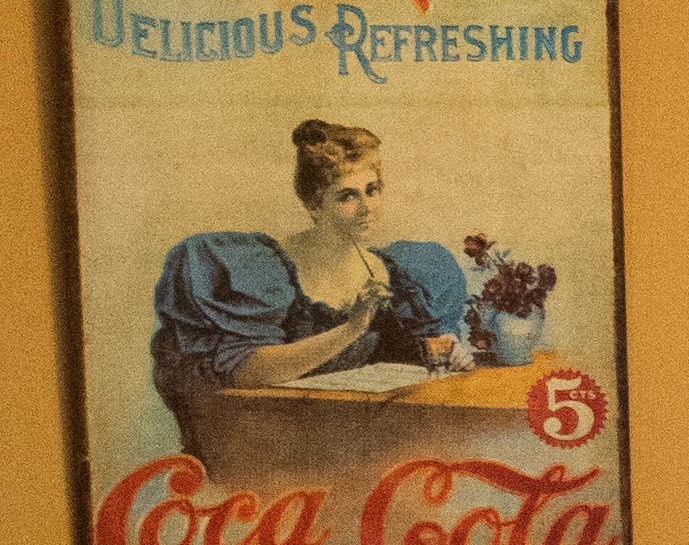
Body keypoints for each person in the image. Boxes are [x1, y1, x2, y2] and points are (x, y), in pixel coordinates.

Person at [149, 118, 544, 430]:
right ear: (313, 203)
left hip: (362, 430)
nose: (366, 207)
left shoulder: (403, 271)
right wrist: (352, 328)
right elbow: (246, 371)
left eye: (373, 190)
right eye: (347, 196)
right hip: (273, 432)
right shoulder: (258, 270)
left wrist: (445, 349)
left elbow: (404, 348)